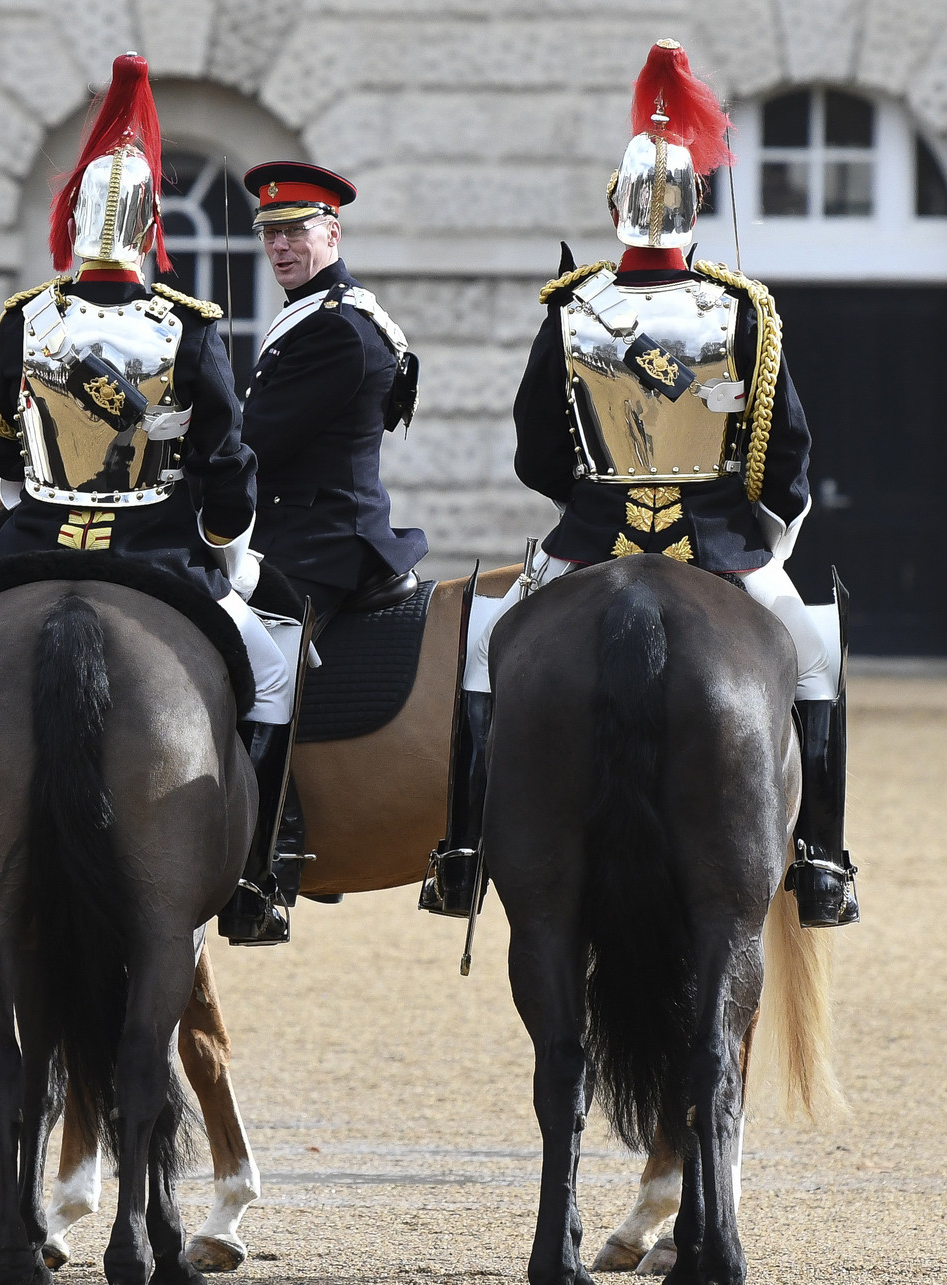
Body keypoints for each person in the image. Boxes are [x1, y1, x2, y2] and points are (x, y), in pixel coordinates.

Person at [0, 53, 305, 946]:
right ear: (148, 229)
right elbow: (225, 460)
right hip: (158, 553)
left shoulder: (27, 316)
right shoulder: (189, 325)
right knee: (279, 658)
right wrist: (227, 540)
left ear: (75, 220)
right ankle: (257, 870)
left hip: (29, 541)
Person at [424, 40, 854, 929]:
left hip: (591, 542)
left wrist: (588, 502)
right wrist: (762, 533)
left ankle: (461, 855)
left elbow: (535, 451)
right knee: (816, 654)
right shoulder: (745, 311)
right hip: (721, 550)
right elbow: (788, 458)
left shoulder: (571, 309)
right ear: (697, 208)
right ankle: (820, 862)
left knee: (482, 648)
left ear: (616, 206)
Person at [238, 161, 426, 620]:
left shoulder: (335, 329)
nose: (279, 246)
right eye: (269, 233)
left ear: (332, 234)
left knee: (242, 672)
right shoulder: (321, 314)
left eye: (294, 231)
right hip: (295, 534)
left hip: (317, 547)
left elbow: (258, 443)